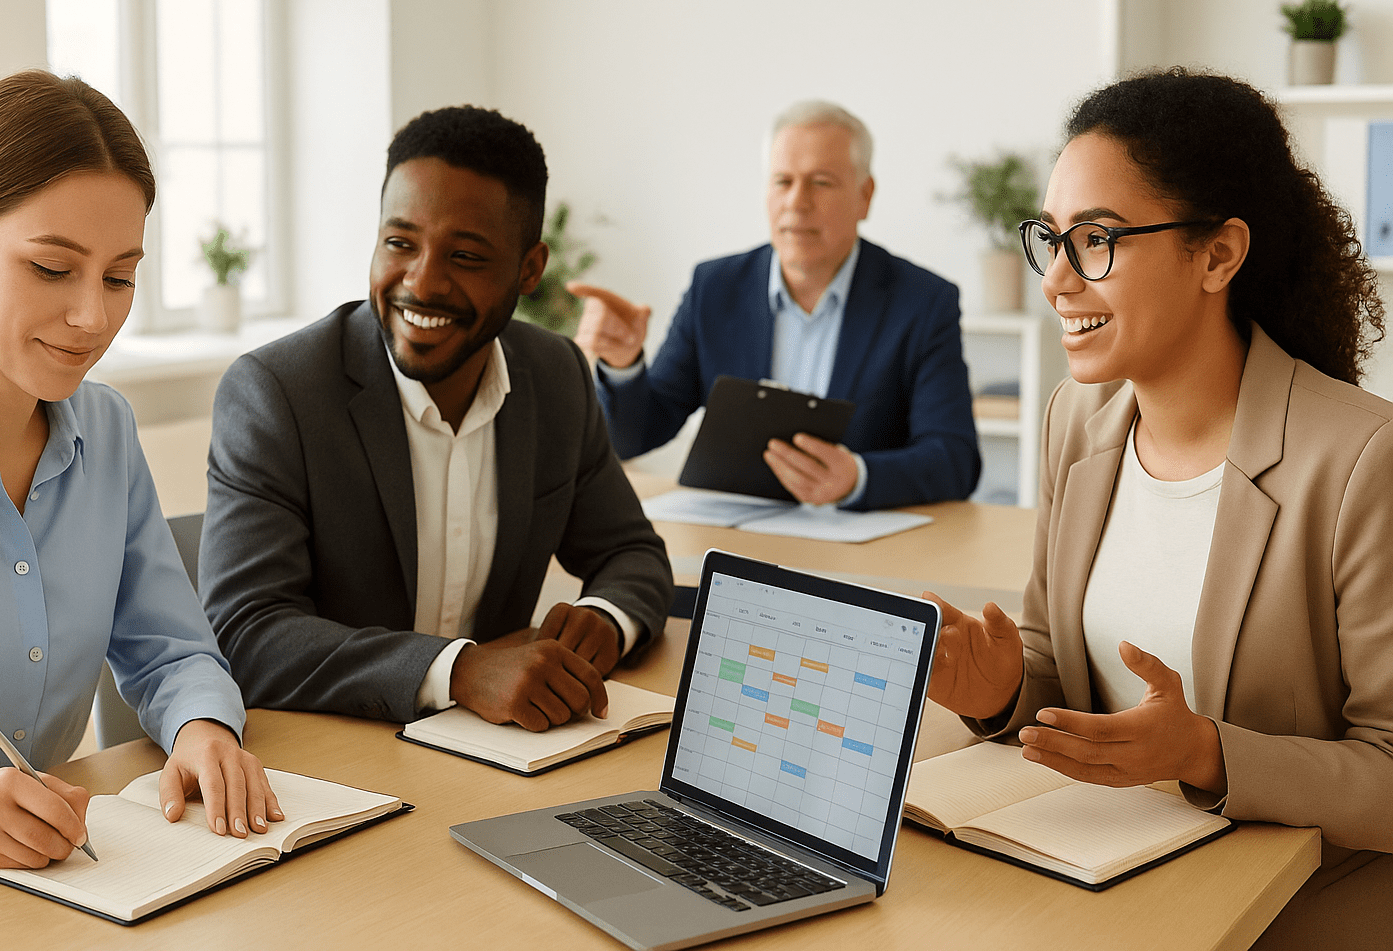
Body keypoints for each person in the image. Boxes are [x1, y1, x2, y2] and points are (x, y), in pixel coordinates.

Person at [925, 68, 1392, 948]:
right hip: (1104, 880)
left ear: (1217, 254)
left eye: (1097, 239)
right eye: (1051, 239)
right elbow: (1059, 675)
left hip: (1297, 905)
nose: (1057, 278)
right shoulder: (1077, 418)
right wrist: (998, 691)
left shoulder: (1364, 460)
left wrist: (1208, 752)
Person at [0, 71, 280, 867]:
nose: (94, 317)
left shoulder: (108, 431)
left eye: (120, 277)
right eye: (52, 269)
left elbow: (170, 650)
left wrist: (202, 727)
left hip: (55, 891)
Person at [201, 105, 673, 733]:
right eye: (400, 244)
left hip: (502, 757)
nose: (422, 283)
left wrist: (607, 618)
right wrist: (459, 672)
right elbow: (246, 633)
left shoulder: (555, 376)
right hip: (335, 765)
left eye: (467, 257)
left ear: (530, 269)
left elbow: (631, 552)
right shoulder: (278, 393)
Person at [569, 100, 980, 509]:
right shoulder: (713, 289)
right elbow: (636, 436)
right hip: (737, 541)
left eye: (821, 182)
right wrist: (623, 366)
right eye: (782, 181)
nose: (797, 202)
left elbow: (955, 457)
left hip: (856, 548)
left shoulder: (923, 302)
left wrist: (857, 476)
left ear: (864, 196)